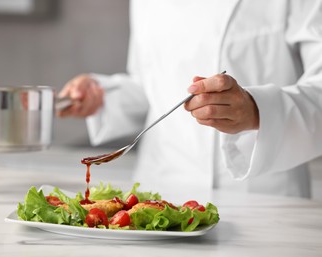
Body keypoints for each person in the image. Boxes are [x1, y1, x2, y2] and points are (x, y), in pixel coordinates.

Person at [57, 0, 322, 201]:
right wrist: (103, 96)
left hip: (262, 199)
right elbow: (152, 86)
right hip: (158, 192)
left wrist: (257, 110)